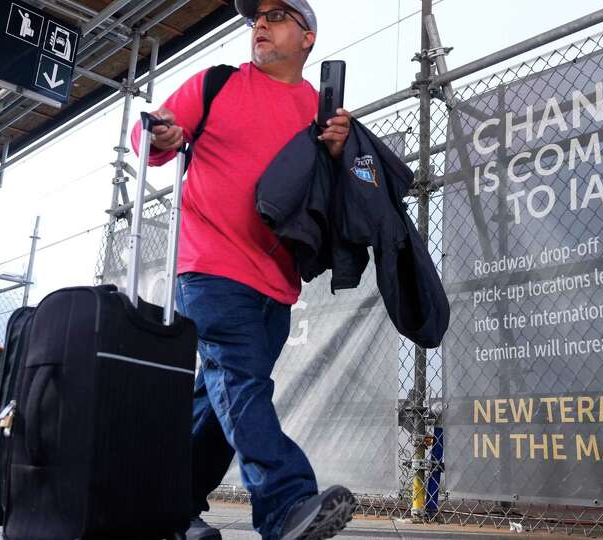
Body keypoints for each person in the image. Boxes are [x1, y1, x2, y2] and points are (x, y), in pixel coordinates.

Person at [130, 1, 354, 539]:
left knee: (220, 400)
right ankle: (285, 505)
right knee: (241, 384)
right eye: (257, 16)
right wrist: (161, 136)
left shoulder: (321, 116)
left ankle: (166, 509)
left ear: (307, 38)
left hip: (277, 283)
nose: (261, 23)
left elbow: (336, 200)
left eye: (277, 15)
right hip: (209, 266)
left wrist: (341, 154)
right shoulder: (216, 84)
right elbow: (149, 138)